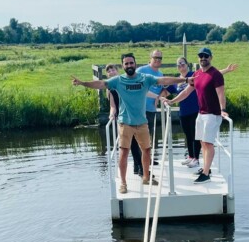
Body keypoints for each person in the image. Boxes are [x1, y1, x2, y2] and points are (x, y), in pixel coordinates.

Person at [72, 53, 189, 193]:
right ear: (123, 66)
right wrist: (82, 83)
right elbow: (101, 84)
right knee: (124, 153)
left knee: (146, 150)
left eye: (131, 63)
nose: (129, 66)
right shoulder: (118, 80)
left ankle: (146, 177)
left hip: (142, 122)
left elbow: (163, 80)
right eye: (126, 63)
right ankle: (123, 183)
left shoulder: (145, 79)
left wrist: (186, 79)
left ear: (135, 64)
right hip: (125, 123)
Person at [164, 47, 229, 184]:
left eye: (206, 56)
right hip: (201, 113)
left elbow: (221, 94)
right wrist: (172, 101)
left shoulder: (215, 74)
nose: (203, 58)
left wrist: (223, 109)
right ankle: (206, 168)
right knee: (201, 141)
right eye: (201, 56)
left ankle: (206, 174)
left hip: (213, 114)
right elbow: (186, 92)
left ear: (211, 57)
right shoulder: (197, 74)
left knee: (207, 143)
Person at [173, 57, 238, 169]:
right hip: (183, 111)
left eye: (182, 64)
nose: (181, 66)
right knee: (188, 135)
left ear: (187, 65)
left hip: (196, 110)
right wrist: (164, 98)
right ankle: (190, 156)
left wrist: (226, 70)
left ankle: (196, 159)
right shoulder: (178, 80)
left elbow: (210, 76)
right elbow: (170, 89)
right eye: (178, 65)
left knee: (197, 136)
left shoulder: (194, 74)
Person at [106, 63, 142, 177]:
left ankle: (138, 166)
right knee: (132, 143)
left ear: (118, 71)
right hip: (123, 118)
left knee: (137, 142)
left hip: (134, 115)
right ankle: (140, 167)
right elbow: (113, 105)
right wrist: (111, 115)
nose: (111, 72)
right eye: (109, 71)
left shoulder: (125, 82)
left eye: (113, 70)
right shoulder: (110, 88)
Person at [136, 49, 166, 160]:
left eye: (160, 58)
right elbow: (137, 87)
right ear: (150, 58)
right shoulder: (141, 70)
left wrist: (161, 96)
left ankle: (148, 159)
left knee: (149, 137)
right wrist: (156, 96)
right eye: (155, 57)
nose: (157, 60)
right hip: (140, 109)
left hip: (152, 110)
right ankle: (140, 162)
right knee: (140, 137)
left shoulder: (160, 74)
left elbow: (162, 90)